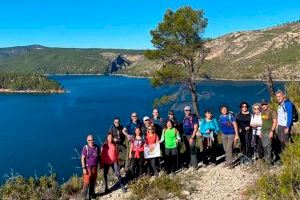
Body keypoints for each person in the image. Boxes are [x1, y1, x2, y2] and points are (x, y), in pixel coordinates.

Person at [260, 100, 277, 165]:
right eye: (262, 105)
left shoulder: (272, 112)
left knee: (269, 146)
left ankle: (269, 162)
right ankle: (267, 159)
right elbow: (263, 123)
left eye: (265, 104)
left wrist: (272, 131)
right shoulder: (262, 113)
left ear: (267, 104)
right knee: (264, 146)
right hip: (263, 131)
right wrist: (261, 132)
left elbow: (275, 122)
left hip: (269, 131)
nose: (263, 106)